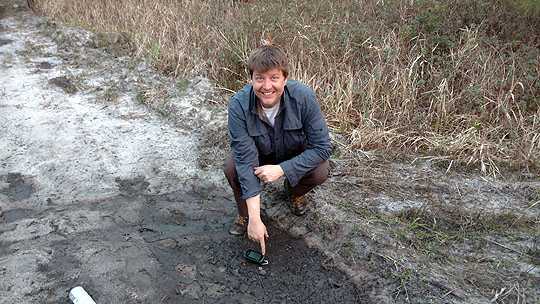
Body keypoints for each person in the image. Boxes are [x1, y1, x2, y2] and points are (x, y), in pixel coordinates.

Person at [222, 45, 331, 255]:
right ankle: (245, 214)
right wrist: (256, 219)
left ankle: (293, 192)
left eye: (274, 78)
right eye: (259, 78)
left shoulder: (304, 97)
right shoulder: (238, 105)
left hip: (293, 153)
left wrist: (282, 169)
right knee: (232, 166)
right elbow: (245, 159)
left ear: (285, 78)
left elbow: (322, 147)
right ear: (251, 79)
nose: (267, 86)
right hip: (258, 155)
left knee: (320, 170)